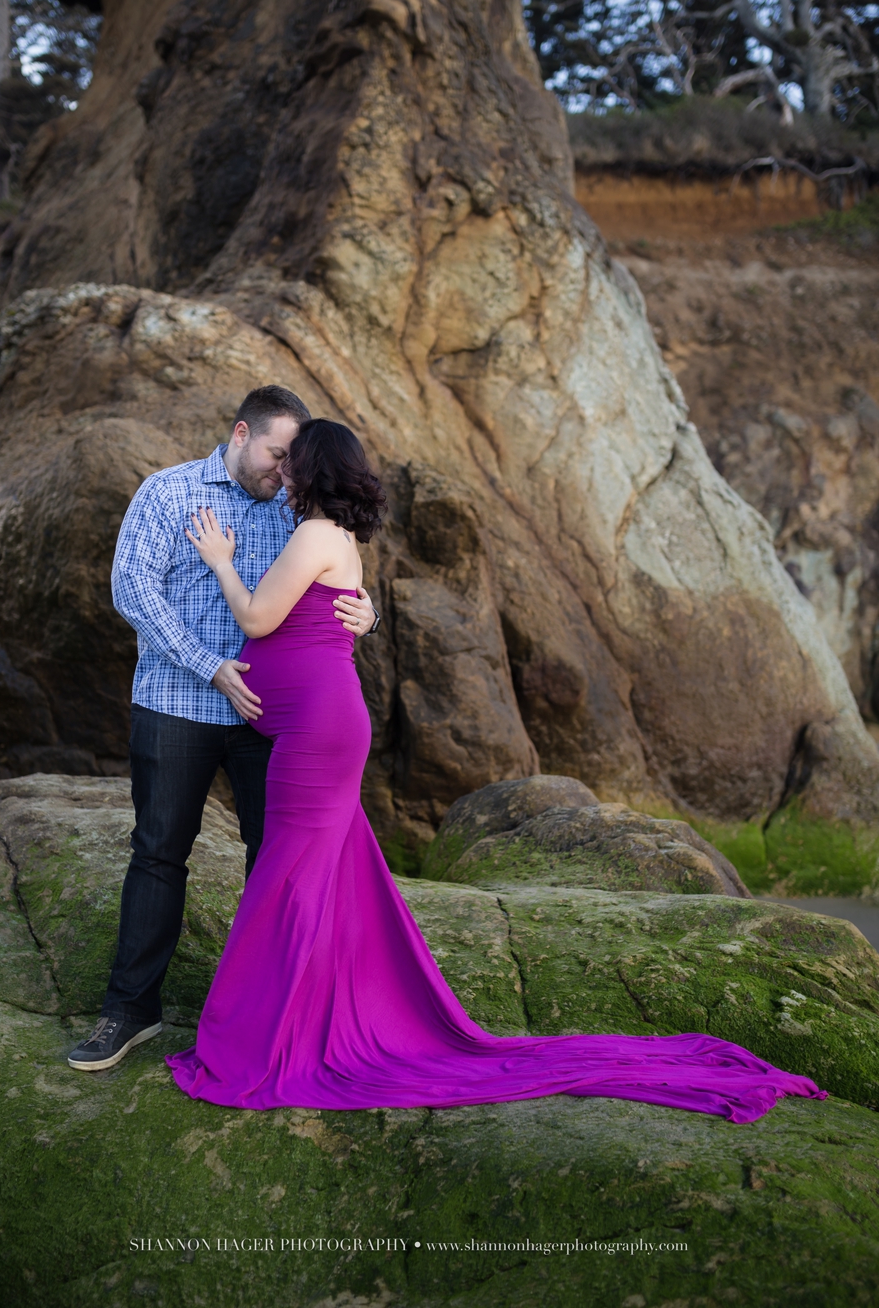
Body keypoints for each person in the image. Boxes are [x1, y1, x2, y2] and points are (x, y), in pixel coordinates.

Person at [163, 418, 827, 1124]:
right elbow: (329, 618)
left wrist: (221, 560)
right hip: (319, 725)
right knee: (321, 877)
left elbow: (261, 620)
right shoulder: (337, 541)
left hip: (318, 731)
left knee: (287, 875)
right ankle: (300, 1022)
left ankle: (266, 1040)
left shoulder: (317, 535)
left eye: (293, 463)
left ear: (314, 471)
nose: (284, 473)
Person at [67, 387, 378, 1072]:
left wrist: (368, 612)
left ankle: (260, 1016)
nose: (284, 471)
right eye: (276, 455)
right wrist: (209, 666)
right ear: (242, 434)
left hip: (267, 723)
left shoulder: (295, 513)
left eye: (294, 462)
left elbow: (326, 583)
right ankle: (128, 1012)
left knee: (274, 859)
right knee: (157, 853)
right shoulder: (169, 492)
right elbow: (133, 589)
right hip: (177, 703)